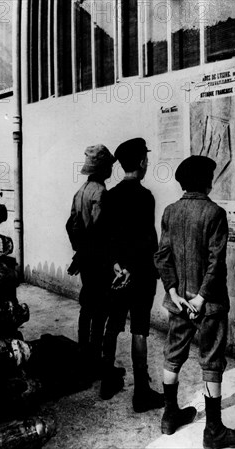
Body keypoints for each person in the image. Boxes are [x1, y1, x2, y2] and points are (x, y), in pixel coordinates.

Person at [155, 155, 235, 449]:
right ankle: (213, 431)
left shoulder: (170, 212)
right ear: (207, 182)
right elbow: (216, 262)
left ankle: (170, 416)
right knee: (211, 361)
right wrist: (200, 297)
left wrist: (173, 292)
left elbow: (162, 256)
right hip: (207, 305)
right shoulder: (215, 213)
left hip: (178, 303)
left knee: (173, 355)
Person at [99, 138, 165, 413]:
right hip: (140, 275)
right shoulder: (145, 196)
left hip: (117, 274)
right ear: (140, 162)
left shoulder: (110, 196)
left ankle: (106, 382)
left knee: (112, 325)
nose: (147, 163)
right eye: (146, 159)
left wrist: (116, 266)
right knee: (139, 330)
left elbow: (106, 238)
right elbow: (148, 241)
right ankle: (141, 393)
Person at [66, 144, 115, 381]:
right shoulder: (101, 194)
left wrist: (79, 250)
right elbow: (100, 229)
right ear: (103, 169)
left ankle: (83, 354)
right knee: (100, 311)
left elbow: (71, 225)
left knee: (87, 307)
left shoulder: (80, 191)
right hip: (99, 261)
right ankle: (94, 360)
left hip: (85, 260)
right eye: (109, 167)